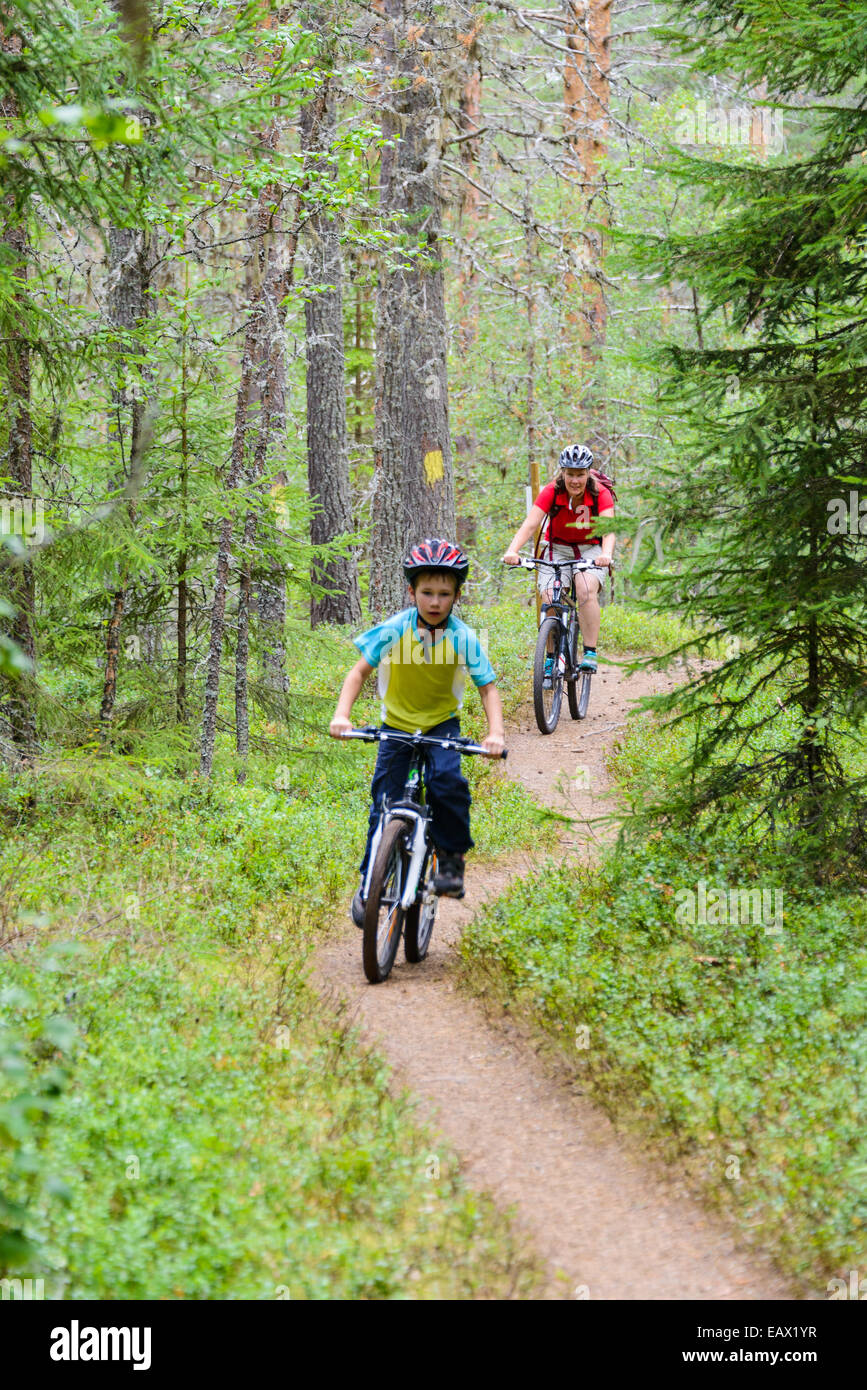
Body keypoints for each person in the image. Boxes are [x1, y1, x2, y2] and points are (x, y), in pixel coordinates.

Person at [329, 538, 506, 927]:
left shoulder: (463, 637)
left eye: (445, 594)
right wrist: (343, 716)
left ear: (457, 596)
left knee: (448, 783)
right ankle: (368, 885)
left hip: (442, 724)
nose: (435, 602)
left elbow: (487, 688)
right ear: (412, 592)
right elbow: (358, 672)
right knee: (383, 804)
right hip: (396, 725)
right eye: (427, 592)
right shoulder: (394, 630)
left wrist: (496, 734)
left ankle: (452, 861)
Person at [502, 443, 615, 677]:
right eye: (570, 474)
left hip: (590, 548)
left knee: (585, 590)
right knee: (550, 598)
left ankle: (590, 652)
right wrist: (512, 550)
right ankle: (551, 656)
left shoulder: (599, 493)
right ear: (563, 473)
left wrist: (606, 554)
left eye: (580, 475)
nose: (575, 480)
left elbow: (609, 529)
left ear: (588, 473)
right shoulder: (552, 491)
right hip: (558, 547)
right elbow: (531, 523)